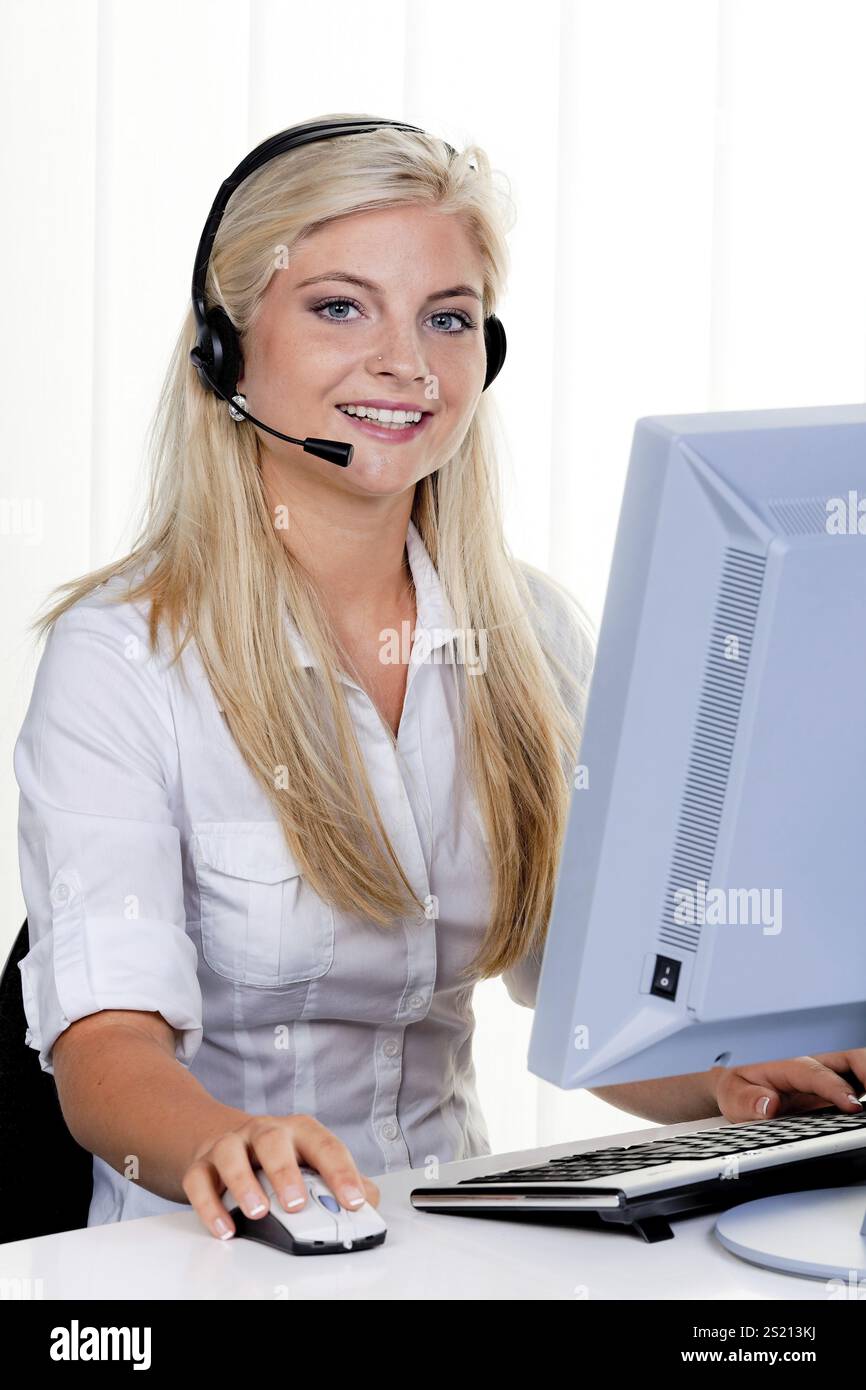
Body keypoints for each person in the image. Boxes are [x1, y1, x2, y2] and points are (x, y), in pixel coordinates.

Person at [14, 112, 865, 1242]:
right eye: (337, 306)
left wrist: (732, 1080)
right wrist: (222, 1141)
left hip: (455, 1233)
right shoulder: (125, 659)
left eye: (447, 320)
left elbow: (599, 1017)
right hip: (200, 1251)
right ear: (225, 348)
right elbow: (103, 1056)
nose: (405, 365)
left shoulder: (526, 635)